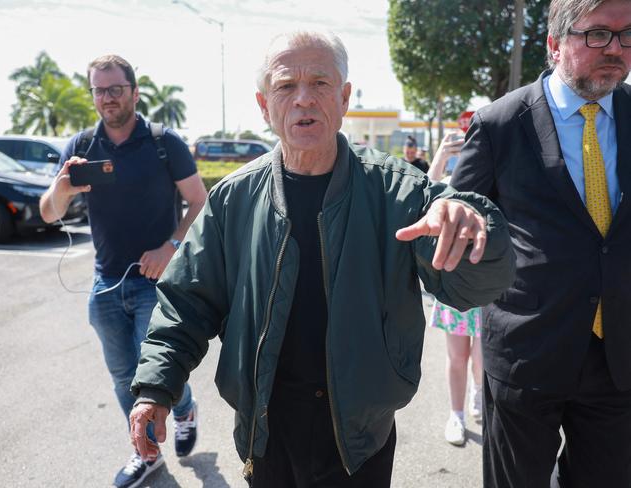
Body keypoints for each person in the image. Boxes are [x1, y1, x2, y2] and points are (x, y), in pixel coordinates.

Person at [128, 31, 515, 488]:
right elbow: (186, 302)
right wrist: (156, 387)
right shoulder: (233, 199)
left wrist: (475, 232)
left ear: (345, 97)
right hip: (265, 428)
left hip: (360, 434)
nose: (303, 100)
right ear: (263, 104)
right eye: (286, 86)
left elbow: (474, 285)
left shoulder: (399, 191)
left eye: (320, 84)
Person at [451, 0, 631, 485]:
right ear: (554, 45)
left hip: (618, 360)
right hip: (528, 353)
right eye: (597, 34)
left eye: (626, 34)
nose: (615, 48)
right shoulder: (500, 124)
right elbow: (463, 215)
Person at [40, 54, 208, 488]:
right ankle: (146, 453)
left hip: (155, 281)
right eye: (99, 89)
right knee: (122, 376)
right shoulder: (80, 147)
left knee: (151, 373)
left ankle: (184, 407)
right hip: (105, 282)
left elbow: (200, 202)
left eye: (116, 89)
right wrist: (61, 187)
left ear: (134, 92)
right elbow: (48, 211)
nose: (108, 98)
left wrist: (170, 246)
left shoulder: (162, 142)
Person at [427, 131, 483, 446]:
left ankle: (478, 392)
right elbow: (422, 192)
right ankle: (456, 415)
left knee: (482, 356)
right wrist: (441, 155)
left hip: (489, 286)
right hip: (456, 284)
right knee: (458, 355)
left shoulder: (495, 173)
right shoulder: (450, 179)